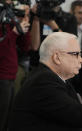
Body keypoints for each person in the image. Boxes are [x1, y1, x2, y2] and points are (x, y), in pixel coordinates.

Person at [0, 0, 32, 130]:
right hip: (2, 77)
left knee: (8, 120)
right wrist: (14, 33)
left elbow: (25, 47)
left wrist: (23, 22)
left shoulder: (10, 20)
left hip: (10, 77)